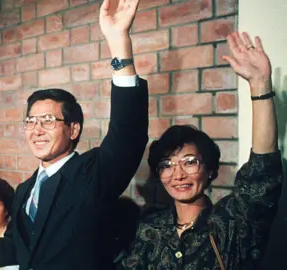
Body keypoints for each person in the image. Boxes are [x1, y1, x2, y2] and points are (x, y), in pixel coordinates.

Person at [0, 0, 148, 269]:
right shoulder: (26, 189)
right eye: (31, 121)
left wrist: (119, 42)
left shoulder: (90, 174)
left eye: (48, 120)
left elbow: (127, 135)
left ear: (74, 129)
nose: (37, 130)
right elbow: (17, 246)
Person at [118, 32, 282, 270]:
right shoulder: (150, 230)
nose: (178, 174)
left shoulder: (231, 224)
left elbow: (263, 169)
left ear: (211, 170)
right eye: (167, 165)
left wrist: (260, 85)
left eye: (190, 161)